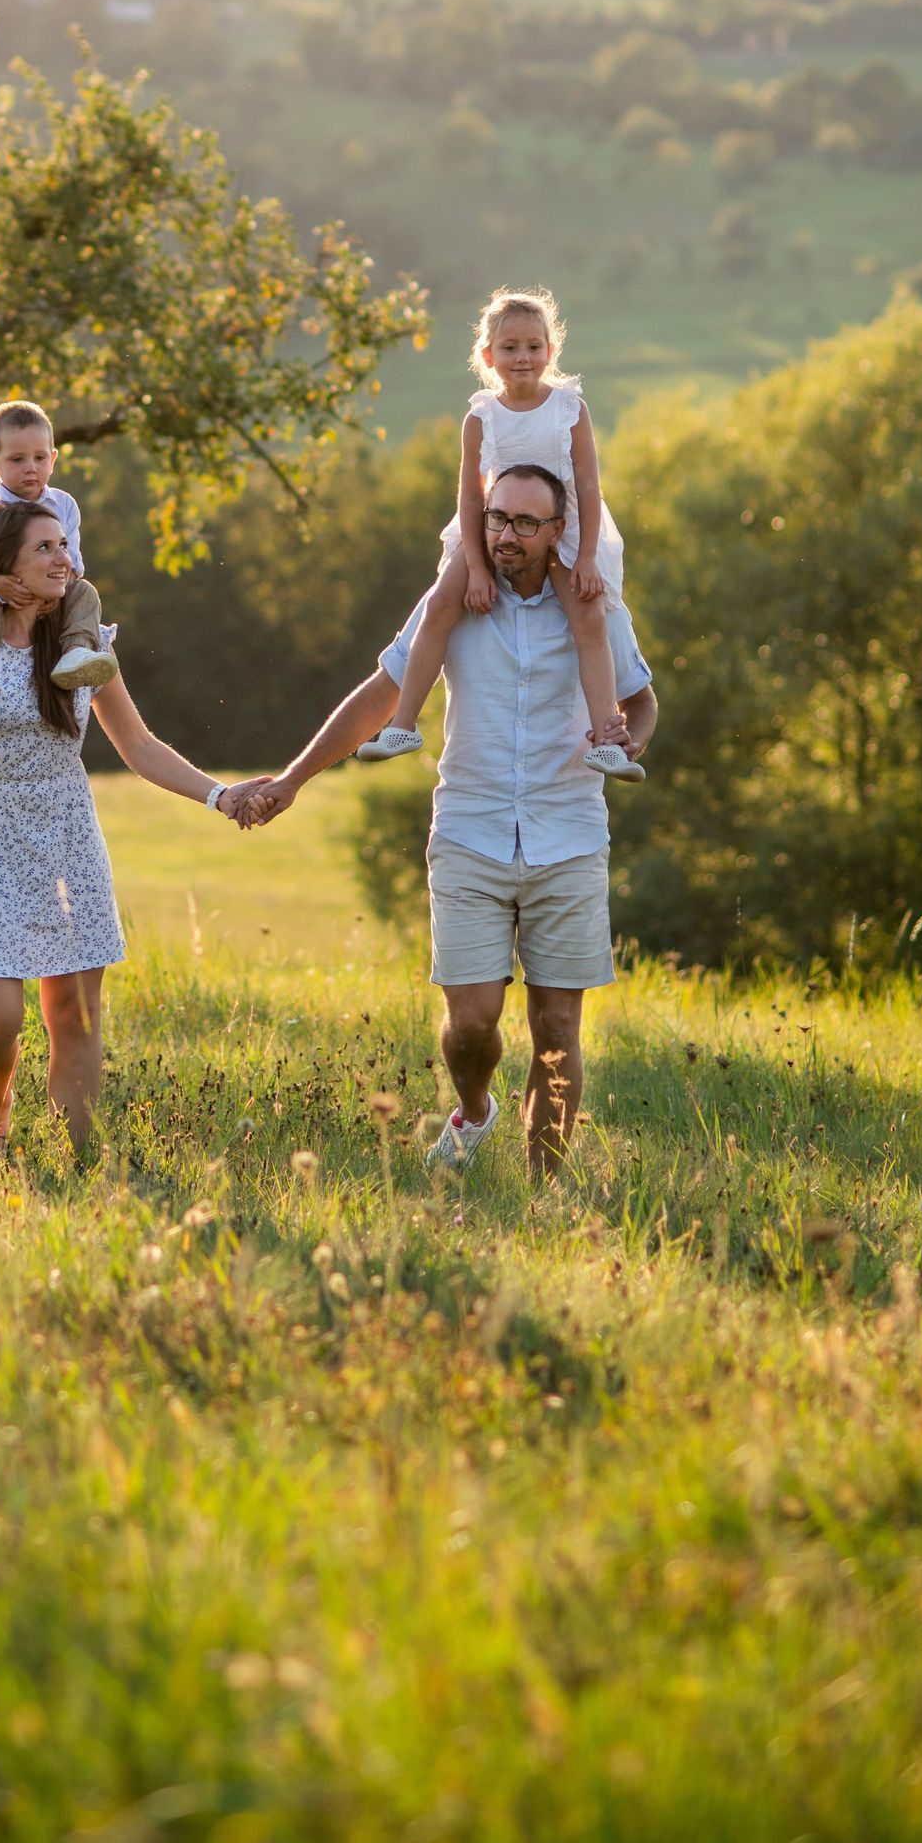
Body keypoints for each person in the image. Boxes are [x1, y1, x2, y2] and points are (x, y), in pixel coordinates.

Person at [229, 463, 658, 1184]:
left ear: (559, 532)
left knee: (557, 1029)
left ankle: (544, 1192)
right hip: (469, 834)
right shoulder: (452, 602)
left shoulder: (595, 608)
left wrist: (626, 741)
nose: (506, 535)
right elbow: (378, 695)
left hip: (569, 835)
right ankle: (477, 1109)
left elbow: (641, 700)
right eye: (496, 518)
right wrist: (294, 778)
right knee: (472, 1024)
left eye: (526, 523)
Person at [0, 495, 240, 1155]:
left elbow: (139, 745)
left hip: (65, 842)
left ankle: (80, 1160)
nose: (62, 558)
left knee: (72, 1014)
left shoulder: (83, 647)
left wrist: (220, 796)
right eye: (43, 548)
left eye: (64, 546)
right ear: (4, 567)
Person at [358, 284, 641, 782]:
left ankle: (606, 738)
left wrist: (589, 555)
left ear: (550, 351)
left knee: (589, 616)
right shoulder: (480, 416)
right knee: (443, 601)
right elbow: (471, 496)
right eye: (509, 348)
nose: (523, 357)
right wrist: (475, 566)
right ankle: (404, 726)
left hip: (566, 524)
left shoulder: (569, 409)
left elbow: (589, 486)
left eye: (534, 346)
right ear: (488, 356)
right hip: (498, 526)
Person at [0, 397, 118, 757]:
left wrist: (61, 587)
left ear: (53, 459)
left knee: (85, 592)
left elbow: (73, 561)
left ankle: (76, 653)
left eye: (40, 458)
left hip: (44, 593)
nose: (30, 469)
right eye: (17, 459)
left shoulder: (64, 505)